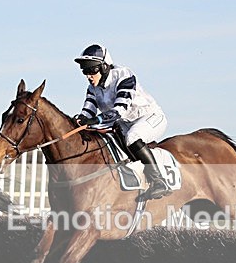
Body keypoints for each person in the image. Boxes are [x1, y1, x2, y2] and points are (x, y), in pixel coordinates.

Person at [72, 44, 171, 201]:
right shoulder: (92, 88)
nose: (88, 76)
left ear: (104, 67)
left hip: (150, 117)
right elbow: (87, 111)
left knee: (133, 137)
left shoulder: (124, 75)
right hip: (125, 123)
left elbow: (119, 110)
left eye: (91, 70)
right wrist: (78, 120)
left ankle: (159, 181)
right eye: (85, 71)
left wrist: (95, 120)